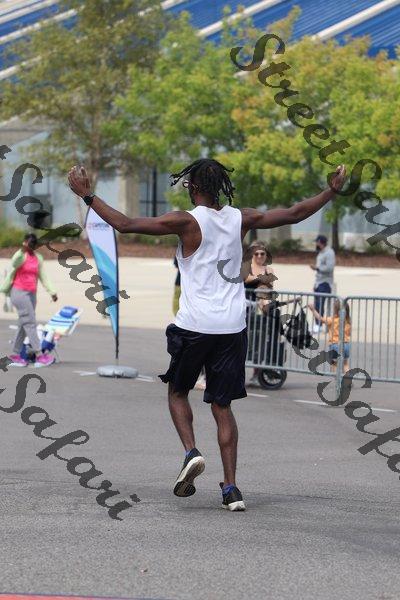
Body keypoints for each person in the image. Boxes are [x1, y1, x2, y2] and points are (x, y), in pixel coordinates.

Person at [68, 159, 346, 512]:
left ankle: (191, 452)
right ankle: (231, 489)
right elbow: (294, 213)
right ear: (220, 188)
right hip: (231, 328)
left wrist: (88, 195)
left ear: (193, 187)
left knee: (177, 392)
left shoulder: (185, 221)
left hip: (195, 326)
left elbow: (125, 224)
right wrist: (331, 191)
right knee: (222, 405)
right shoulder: (241, 218)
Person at [0, 233, 58, 367]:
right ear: (25, 242)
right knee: (30, 323)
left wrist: (52, 292)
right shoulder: (21, 255)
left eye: (34, 244)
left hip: (31, 294)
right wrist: (22, 250)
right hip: (19, 293)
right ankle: (39, 355)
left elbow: (43, 276)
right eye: (29, 243)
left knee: (23, 323)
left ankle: (15, 355)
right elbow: (14, 263)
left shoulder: (38, 258)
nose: (32, 246)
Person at [308, 299, 351, 372]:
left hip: (335, 344)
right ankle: (348, 378)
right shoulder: (348, 320)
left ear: (335, 310)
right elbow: (349, 333)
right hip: (346, 344)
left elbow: (321, 319)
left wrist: (313, 310)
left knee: (334, 364)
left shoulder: (332, 319)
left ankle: (336, 379)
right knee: (345, 364)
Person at [310, 234, 335, 333]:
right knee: (317, 304)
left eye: (317, 242)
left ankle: (319, 324)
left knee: (320, 304)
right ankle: (317, 324)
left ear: (321, 242)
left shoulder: (329, 253)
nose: (316, 244)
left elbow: (330, 268)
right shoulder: (321, 253)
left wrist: (317, 268)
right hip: (319, 282)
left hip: (325, 282)